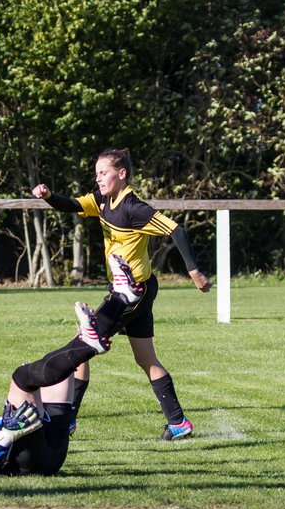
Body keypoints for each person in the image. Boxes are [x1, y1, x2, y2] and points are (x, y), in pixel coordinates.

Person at [31, 147, 211, 441]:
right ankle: (178, 422)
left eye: (103, 173)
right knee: (145, 358)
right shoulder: (102, 200)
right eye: (96, 174)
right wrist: (49, 196)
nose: (98, 179)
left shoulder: (134, 209)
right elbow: (72, 205)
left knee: (82, 343)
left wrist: (193, 271)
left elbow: (176, 230)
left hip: (132, 293)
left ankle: (68, 419)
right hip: (135, 289)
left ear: (122, 173)